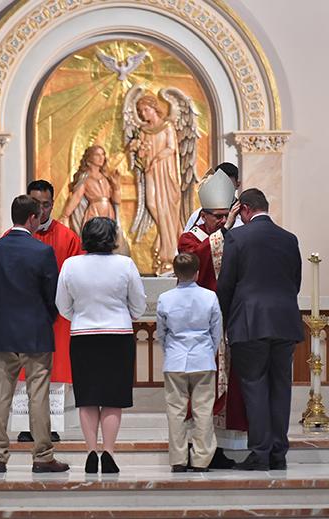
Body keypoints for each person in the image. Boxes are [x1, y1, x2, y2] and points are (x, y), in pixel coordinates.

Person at [216, 188, 303, 471]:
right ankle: (278, 453)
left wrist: (225, 321)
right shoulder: (289, 239)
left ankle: (260, 453)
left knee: (254, 386)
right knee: (280, 388)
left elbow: (226, 284)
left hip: (249, 322)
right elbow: (295, 281)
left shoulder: (237, 237)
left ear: (244, 210)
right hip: (285, 321)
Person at [0, 195, 69, 474]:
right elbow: (52, 296)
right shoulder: (41, 252)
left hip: (4, 330)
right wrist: (45, 319)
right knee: (38, 395)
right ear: (32, 218)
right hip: (35, 332)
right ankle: (42, 456)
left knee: (0, 394)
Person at [56, 217, 146, 474]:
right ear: (112, 237)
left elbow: (62, 305)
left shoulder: (71, 265)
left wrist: (81, 317)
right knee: (112, 397)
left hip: (83, 336)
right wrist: (122, 313)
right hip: (117, 335)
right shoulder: (124, 264)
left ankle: (90, 452)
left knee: (87, 397)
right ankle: (108, 452)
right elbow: (138, 305)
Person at [176, 168, 245, 469]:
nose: (221, 220)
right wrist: (222, 232)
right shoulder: (190, 239)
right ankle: (195, 447)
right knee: (200, 390)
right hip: (197, 328)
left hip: (227, 322)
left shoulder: (230, 237)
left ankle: (216, 446)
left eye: (224, 215)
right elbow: (198, 260)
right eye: (216, 216)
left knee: (224, 387)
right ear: (203, 214)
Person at [12, 180, 82, 442]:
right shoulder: (15, 237)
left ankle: (49, 424)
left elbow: (76, 276)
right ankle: (25, 424)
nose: (40, 210)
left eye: (45, 204)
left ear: (53, 204)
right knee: (24, 370)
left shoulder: (68, 238)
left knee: (55, 370)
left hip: (57, 318)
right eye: (35, 204)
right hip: (25, 316)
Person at [157, 253, 221, 473]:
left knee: (175, 410)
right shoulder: (209, 296)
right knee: (203, 410)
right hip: (203, 358)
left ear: (175, 274)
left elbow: (161, 333)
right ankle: (202, 460)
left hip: (175, 360)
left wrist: (171, 352)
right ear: (196, 273)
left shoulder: (165, 298)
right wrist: (209, 353)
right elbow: (216, 331)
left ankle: (178, 459)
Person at [129, 95, 183, 273]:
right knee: (152, 203)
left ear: (153, 108)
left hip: (165, 171)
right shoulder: (143, 130)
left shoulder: (167, 126)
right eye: (140, 111)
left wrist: (156, 158)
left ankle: (168, 251)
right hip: (150, 171)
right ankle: (166, 238)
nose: (143, 114)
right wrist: (138, 149)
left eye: (145, 109)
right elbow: (142, 156)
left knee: (165, 207)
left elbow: (171, 148)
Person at [183, 163, 243, 232]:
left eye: (228, 186)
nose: (223, 190)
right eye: (220, 185)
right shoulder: (198, 215)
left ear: (237, 185)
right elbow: (188, 239)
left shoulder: (243, 214)